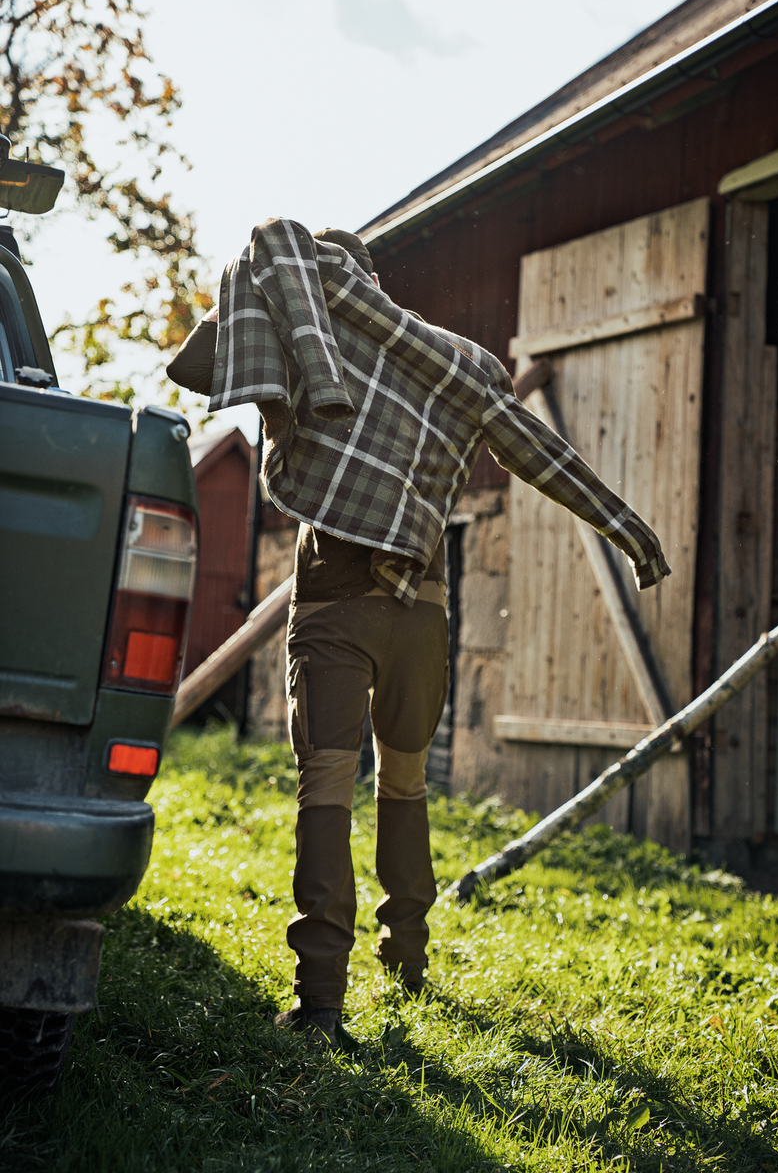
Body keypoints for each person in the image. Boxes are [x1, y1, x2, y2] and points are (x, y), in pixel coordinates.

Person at [168, 218, 670, 1046]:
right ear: (373, 281)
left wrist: (254, 302)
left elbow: (192, 366)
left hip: (333, 603)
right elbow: (538, 452)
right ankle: (408, 957)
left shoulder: (299, 341)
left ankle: (321, 1003)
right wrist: (627, 529)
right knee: (405, 784)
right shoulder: (455, 362)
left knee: (325, 789)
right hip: (422, 608)